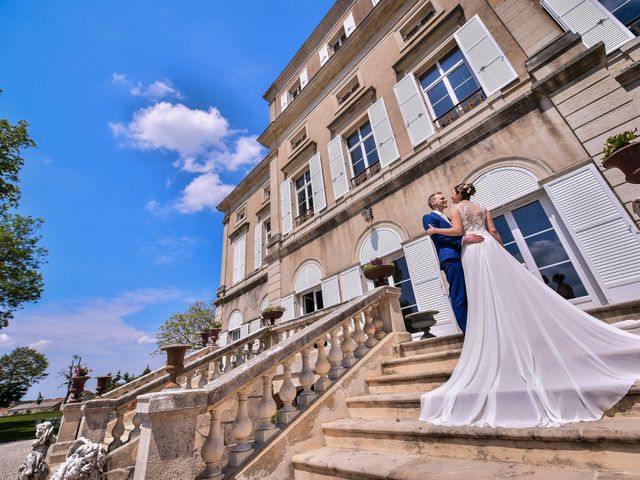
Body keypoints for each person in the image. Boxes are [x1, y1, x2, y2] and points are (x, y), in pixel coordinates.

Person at [419, 182, 640, 428]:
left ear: (459, 194)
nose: (446, 197)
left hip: (472, 249)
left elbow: (460, 232)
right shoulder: (482, 207)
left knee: (484, 293)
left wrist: (435, 232)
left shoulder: (456, 210)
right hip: (488, 246)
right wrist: (500, 252)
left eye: (449, 194)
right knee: (498, 289)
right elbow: (493, 232)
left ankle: (490, 335)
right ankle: (494, 330)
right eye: (440, 196)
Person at [423, 192, 484, 333]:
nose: (445, 200)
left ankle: (479, 328)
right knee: (459, 295)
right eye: (441, 198)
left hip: (463, 255)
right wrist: (462, 240)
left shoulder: (449, 218)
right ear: (433, 202)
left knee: (471, 293)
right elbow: (437, 237)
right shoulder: (428, 217)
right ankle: (469, 332)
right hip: (450, 257)